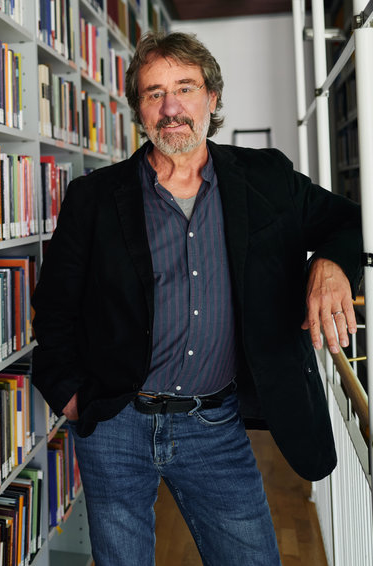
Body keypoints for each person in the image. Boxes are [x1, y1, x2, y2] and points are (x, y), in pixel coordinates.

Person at [30, 31, 362, 565]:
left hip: (215, 426)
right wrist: (70, 394)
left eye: (185, 87)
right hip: (115, 425)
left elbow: (348, 220)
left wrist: (329, 266)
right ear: (138, 109)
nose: (171, 107)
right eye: (154, 93)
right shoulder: (93, 197)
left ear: (212, 97)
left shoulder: (264, 178)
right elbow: (55, 306)